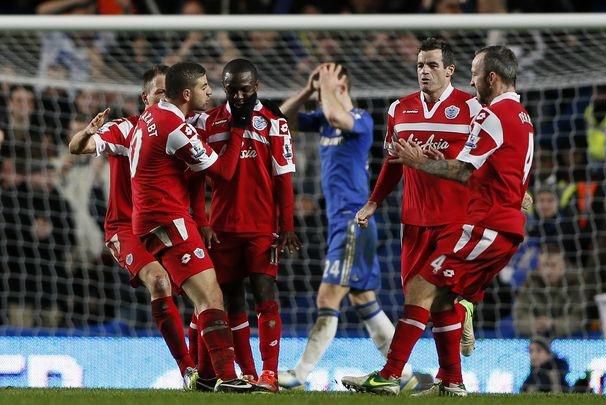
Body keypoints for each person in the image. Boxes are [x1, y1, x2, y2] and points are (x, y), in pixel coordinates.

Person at [343, 45, 533, 396]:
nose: (424, 71)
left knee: (423, 292)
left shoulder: (479, 108)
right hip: (415, 220)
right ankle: (452, 380)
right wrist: (373, 202)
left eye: (432, 64)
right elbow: (393, 162)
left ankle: (390, 374)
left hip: (461, 221)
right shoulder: (399, 108)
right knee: (438, 299)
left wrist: (517, 191)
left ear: (450, 70)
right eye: (419, 65)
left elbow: (473, 164)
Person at [277, 62, 418, 391]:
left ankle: (300, 374)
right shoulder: (324, 123)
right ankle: (404, 374)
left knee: (328, 296)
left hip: (354, 221)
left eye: (333, 86)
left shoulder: (361, 121)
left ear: (344, 89)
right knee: (364, 299)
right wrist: (309, 90)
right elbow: (281, 120)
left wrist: (327, 87)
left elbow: (339, 115)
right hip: (344, 223)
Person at [68, 65, 202, 389]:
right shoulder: (126, 130)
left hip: (164, 223)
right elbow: (76, 147)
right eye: (159, 93)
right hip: (125, 228)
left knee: (204, 289)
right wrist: (87, 132)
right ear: (145, 98)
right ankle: (188, 371)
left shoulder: (181, 132)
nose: (166, 100)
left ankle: (205, 369)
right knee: (159, 282)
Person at [128, 61, 254, 392]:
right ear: (186, 94)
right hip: (167, 218)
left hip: (153, 217)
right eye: (203, 87)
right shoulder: (174, 127)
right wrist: (239, 125)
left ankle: (209, 377)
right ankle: (228, 378)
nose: (210, 91)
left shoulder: (152, 116)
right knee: (211, 295)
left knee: (205, 297)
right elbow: (223, 173)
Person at [190, 58, 300, 393]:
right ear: (224, 87)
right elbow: (200, 178)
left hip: (262, 227)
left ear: (257, 86)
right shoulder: (210, 123)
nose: (238, 96)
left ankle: (270, 372)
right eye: (232, 89)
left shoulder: (273, 123)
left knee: (266, 294)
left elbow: (283, 179)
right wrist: (204, 221)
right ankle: (248, 373)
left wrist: (288, 226)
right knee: (233, 301)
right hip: (223, 228)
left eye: (245, 89)